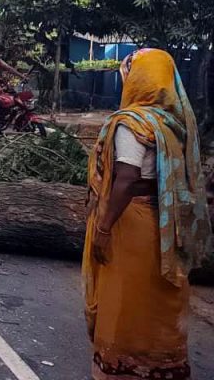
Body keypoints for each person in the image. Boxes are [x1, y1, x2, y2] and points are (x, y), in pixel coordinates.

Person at [83, 49, 211, 380]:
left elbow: (126, 179)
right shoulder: (176, 125)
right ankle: (161, 366)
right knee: (158, 298)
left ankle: (122, 368)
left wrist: (104, 228)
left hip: (132, 221)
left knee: (126, 298)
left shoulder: (131, 123)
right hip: (166, 224)